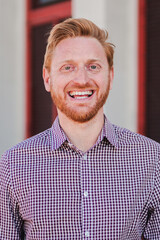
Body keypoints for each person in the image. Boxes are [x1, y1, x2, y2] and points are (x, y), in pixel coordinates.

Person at [0, 18, 160, 240]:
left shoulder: (152, 159)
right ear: (48, 79)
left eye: (93, 66)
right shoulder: (12, 165)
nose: (82, 79)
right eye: (67, 67)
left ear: (110, 76)